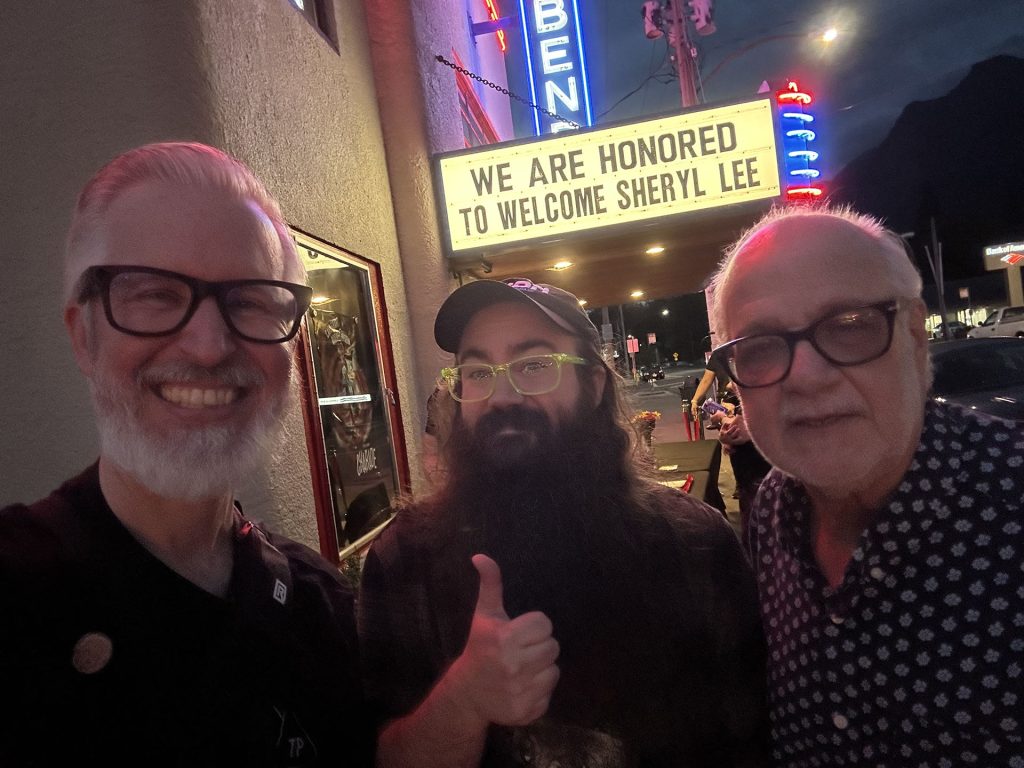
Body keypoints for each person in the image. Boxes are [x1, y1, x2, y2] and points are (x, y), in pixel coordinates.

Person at [0, 142, 376, 765]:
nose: (207, 346)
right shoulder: (17, 601)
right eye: (153, 294)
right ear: (82, 336)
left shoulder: (321, 607)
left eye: (251, 299)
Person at [358, 277, 769, 767]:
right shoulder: (406, 560)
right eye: (479, 371)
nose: (501, 396)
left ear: (593, 385)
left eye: (534, 365)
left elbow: (752, 741)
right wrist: (464, 699)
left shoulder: (697, 546)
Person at [708, 205, 1024, 767]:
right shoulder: (772, 513)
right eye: (759, 346)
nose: (805, 375)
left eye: (849, 326)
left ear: (913, 333)